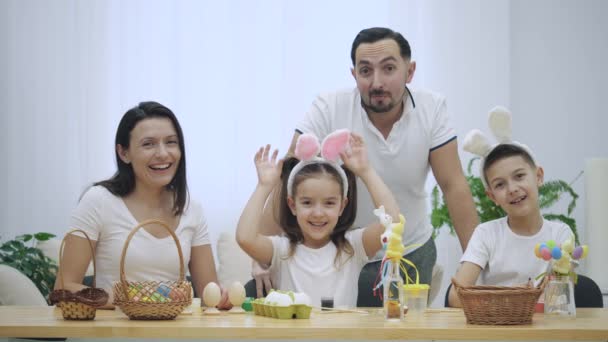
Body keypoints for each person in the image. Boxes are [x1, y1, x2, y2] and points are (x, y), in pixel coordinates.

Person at [253, 27, 478, 306]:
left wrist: (475, 263)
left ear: (410, 71)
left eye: (389, 69)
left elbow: (453, 185)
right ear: (354, 75)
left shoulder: (433, 108)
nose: (377, 82)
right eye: (365, 71)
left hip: (407, 251)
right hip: (340, 253)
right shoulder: (329, 106)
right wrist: (261, 257)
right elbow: (287, 177)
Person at [55, 101, 230, 309]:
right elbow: (63, 289)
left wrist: (221, 298)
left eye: (171, 142)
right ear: (124, 153)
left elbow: (209, 293)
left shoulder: (191, 209)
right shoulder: (98, 201)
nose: (163, 153)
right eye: (148, 144)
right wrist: (131, 301)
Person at [236, 131, 401, 307]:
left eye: (329, 203)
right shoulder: (281, 250)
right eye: (307, 203)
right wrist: (264, 186)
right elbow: (245, 238)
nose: (318, 213)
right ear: (292, 206)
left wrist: (366, 171)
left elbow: (394, 223)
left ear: (342, 206)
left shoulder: (353, 247)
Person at [447, 143, 573, 307]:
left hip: (545, 329)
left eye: (519, 176)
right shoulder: (486, 233)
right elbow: (456, 297)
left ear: (539, 176)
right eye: (500, 184)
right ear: (492, 196)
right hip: (496, 329)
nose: (512, 189)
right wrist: (510, 298)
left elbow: (560, 298)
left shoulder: (561, 234)